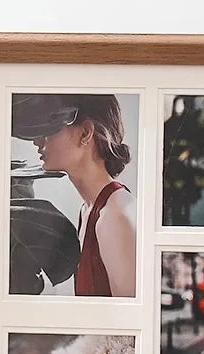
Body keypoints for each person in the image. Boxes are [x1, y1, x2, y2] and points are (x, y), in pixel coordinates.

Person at [11, 94, 136, 297]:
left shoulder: (116, 214)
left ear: (85, 133)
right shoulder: (90, 210)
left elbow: (130, 322)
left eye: (50, 127)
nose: (36, 141)